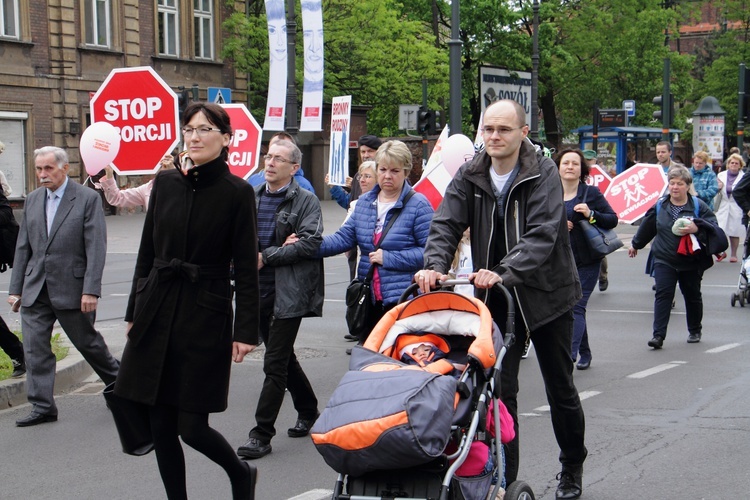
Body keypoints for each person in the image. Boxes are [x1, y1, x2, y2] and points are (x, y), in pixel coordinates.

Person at [417, 99, 587, 500]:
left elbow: (543, 234)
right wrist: (432, 265)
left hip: (547, 296)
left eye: (504, 130)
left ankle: (572, 466)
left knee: (559, 388)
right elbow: (445, 223)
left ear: (523, 133)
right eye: (488, 129)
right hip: (496, 297)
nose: (494, 136)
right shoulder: (471, 173)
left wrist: (504, 270)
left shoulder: (542, 172)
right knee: (499, 392)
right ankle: (508, 480)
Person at [113, 103, 259, 499]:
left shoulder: (238, 193)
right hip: (156, 309)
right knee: (160, 423)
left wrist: (246, 329)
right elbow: (146, 253)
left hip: (204, 314)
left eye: (205, 129)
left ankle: (239, 473)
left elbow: (246, 267)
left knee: (191, 425)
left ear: (226, 139)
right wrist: (133, 311)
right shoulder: (164, 184)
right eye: (189, 129)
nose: (194, 137)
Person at [8, 146, 120, 427]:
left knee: (89, 344)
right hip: (36, 288)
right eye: (38, 169)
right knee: (34, 349)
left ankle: (121, 386)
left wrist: (91, 289)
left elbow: (96, 246)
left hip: (73, 287)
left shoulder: (86, 198)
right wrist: (15, 288)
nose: (43, 174)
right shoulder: (33, 200)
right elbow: (23, 247)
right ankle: (42, 406)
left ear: (64, 168)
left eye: (48, 168)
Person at [237, 138, 324, 461]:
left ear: (294, 168)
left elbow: (309, 242)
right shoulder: (252, 196)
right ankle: (309, 409)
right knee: (284, 357)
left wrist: (267, 256)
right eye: (268, 156)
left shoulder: (305, 201)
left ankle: (261, 434)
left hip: (288, 291)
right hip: (253, 290)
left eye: (278, 158)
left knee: (274, 362)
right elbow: (235, 237)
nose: (269, 162)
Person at [317, 140, 433, 347]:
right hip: (369, 298)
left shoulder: (419, 205)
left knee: (397, 362)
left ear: (406, 172)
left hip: (403, 300)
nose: (387, 176)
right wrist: (307, 244)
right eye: (383, 169)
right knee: (369, 360)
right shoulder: (364, 203)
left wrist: (389, 258)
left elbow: (430, 253)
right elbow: (343, 238)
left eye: (395, 170)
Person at [628, 167, 718, 349]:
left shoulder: (698, 206)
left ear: (687, 186)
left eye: (680, 184)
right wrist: (636, 244)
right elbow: (648, 226)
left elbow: (713, 227)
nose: (675, 187)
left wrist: (696, 228)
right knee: (663, 294)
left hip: (690, 260)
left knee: (692, 295)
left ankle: (694, 329)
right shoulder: (661, 205)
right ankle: (658, 335)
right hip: (664, 258)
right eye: (672, 183)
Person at [557, 149, 618, 371]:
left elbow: (612, 219)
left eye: (575, 163)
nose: (570, 167)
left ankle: (569, 355)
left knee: (577, 306)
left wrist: (591, 214)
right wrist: (558, 225)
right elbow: (535, 222)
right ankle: (585, 351)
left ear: (582, 169)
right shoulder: (549, 192)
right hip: (560, 261)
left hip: (587, 260)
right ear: (558, 167)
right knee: (568, 307)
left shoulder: (590, 193)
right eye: (566, 163)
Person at [95, 154, 175, 211]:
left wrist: (173, 176)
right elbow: (117, 198)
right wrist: (109, 173)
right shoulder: (148, 188)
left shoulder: (182, 184)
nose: (162, 169)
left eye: (166, 166)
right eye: (161, 165)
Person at [248, 132, 315, 193]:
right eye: (269, 156)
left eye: (279, 159)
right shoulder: (253, 181)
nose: (271, 163)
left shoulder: (304, 187)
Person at [582, 149, 610, 292]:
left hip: (595, 217)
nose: (588, 163)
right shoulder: (579, 173)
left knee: (599, 247)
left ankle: (603, 276)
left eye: (590, 160)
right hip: (579, 218)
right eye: (585, 160)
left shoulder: (602, 175)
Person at [716, 153, 747, 262]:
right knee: (720, 229)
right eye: (731, 163)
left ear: (740, 165)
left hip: (736, 205)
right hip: (723, 205)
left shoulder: (744, 176)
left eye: (736, 163)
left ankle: (734, 254)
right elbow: (716, 190)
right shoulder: (721, 175)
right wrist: (718, 187)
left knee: (734, 230)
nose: (733, 165)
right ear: (728, 164)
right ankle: (721, 252)